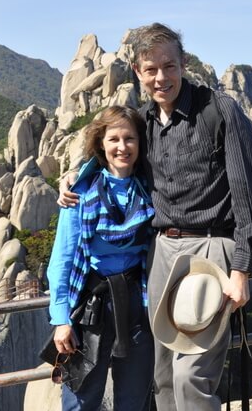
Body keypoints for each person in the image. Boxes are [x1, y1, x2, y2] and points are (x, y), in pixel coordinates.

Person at [59, 23, 252, 411]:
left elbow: (247, 196)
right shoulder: (144, 122)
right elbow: (114, 158)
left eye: (169, 66)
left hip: (210, 248)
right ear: (137, 72)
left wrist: (241, 270)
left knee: (193, 377)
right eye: (151, 69)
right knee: (163, 375)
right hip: (162, 252)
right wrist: (73, 178)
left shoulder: (218, 110)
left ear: (183, 63)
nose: (161, 78)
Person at [48, 106, 155, 410]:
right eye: (114, 139)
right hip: (91, 306)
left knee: (134, 399)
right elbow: (63, 259)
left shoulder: (150, 188)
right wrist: (61, 319)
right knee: (81, 399)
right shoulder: (79, 193)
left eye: (130, 139)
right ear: (101, 144)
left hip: (137, 301)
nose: (122, 147)